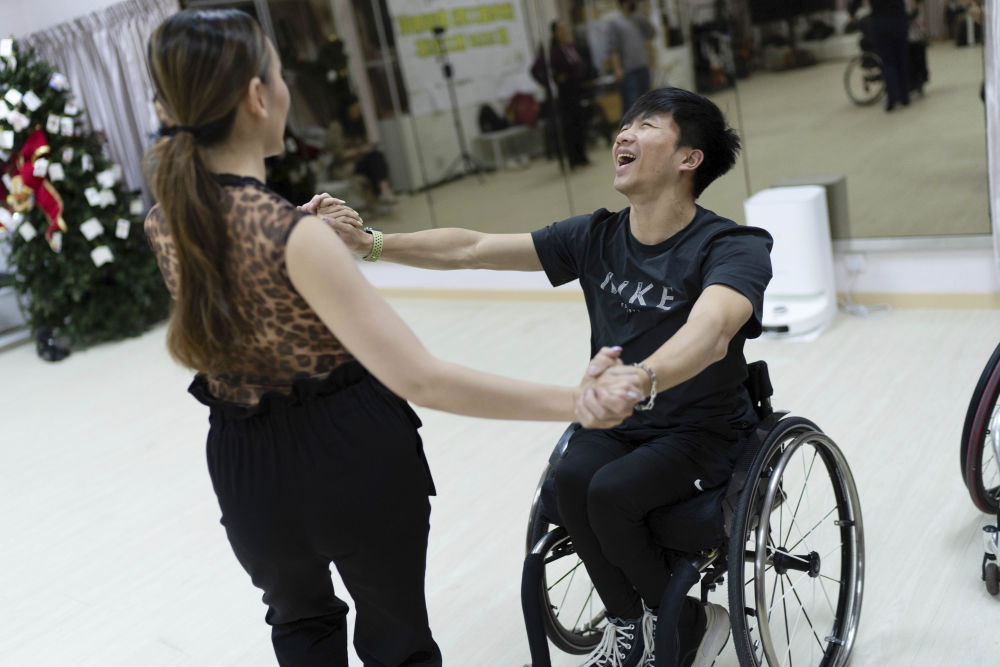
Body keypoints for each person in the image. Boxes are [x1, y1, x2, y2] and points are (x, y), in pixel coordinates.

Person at [142, 9, 642, 667]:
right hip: (348, 454)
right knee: (396, 642)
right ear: (258, 97)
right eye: (281, 74)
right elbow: (421, 378)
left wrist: (310, 232)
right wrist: (576, 402)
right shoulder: (295, 238)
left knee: (299, 625)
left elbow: (249, 284)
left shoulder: (167, 221)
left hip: (245, 466)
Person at [320, 87, 773, 667]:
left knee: (610, 493)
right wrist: (369, 243)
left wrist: (641, 379)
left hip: (700, 430)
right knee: (570, 481)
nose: (624, 133)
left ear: (690, 158)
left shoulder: (732, 245)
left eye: (648, 125)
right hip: (619, 421)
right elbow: (472, 249)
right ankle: (631, 622)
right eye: (626, 124)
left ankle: (681, 620)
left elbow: (712, 331)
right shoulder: (597, 236)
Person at [531, 20, 590, 168]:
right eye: (561, 30)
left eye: (565, 29)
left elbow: (578, 64)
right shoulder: (551, 51)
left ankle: (582, 156)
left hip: (576, 89)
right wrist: (550, 81)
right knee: (568, 125)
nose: (564, 32)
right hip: (564, 93)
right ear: (555, 33)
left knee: (579, 122)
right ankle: (572, 159)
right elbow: (536, 70)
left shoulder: (570, 47)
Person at [323, 94, 397, 207]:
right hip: (345, 165)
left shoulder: (358, 124)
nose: (357, 111)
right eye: (354, 108)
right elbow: (339, 154)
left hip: (361, 160)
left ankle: (384, 192)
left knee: (376, 157)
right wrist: (360, 151)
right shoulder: (337, 127)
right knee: (374, 160)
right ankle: (384, 192)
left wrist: (366, 148)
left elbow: (364, 143)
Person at [606, 0, 656, 121]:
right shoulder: (615, 22)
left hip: (642, 67)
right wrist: (617, 69)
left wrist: (646, 18)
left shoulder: (639, 19)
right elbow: (613, 48)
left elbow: (652, 34)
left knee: (646, 103)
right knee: (632, 106)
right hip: (628, 70)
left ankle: (644, 129)